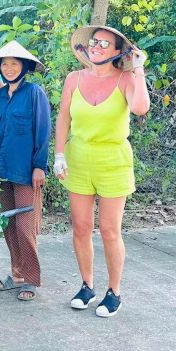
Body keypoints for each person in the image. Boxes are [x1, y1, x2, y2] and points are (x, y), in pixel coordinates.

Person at [53, 25, 150, 317]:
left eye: (105, 44)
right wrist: (59, 155)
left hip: (113, 162)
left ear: (118, 51)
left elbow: (140, 108)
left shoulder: (125, 79)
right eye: (94, 42)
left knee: (109, 230)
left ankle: (114, 292)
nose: (96, 46)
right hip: (79, 159)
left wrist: (138, 69)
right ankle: (87, 286)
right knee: (81, 227)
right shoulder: (74, 79)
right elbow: (63, 117)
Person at [0, 41, 51, 302]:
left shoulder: (34, 93)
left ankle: (31, 279)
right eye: (4, 64)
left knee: (25, 226)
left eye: (14, 63)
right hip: (1, 170)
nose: (9, 68)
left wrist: (39, 166)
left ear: (24, 66)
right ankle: (17, 273)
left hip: (25, 171)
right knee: (8, 225)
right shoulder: (0, 97)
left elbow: (43, 131)